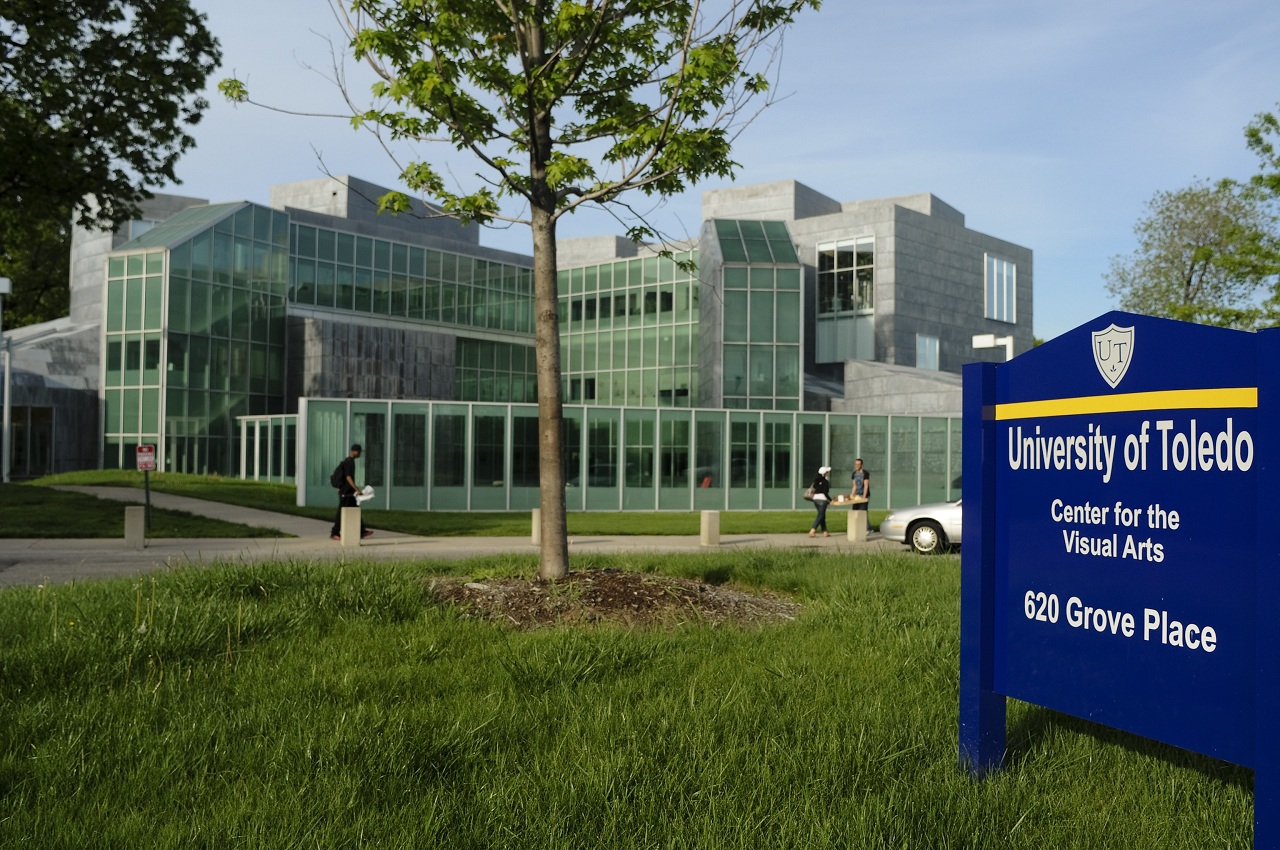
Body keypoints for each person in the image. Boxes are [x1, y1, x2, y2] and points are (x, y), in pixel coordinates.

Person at [330, 443, 373, 540]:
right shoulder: (350, 462)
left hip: (347, 492)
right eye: (359, 452)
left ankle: (362, 531)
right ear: (355, 452)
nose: (360, 454)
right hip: (346, 493)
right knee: (341, 512)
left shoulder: (347, 461)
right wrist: (357, 489)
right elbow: (348, 477)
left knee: (355, 509)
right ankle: (335, 532)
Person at [808, 465, 832, 538]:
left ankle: (825, 531)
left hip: (815, 499)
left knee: (822, 515)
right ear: (824, 473)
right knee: (820, 515)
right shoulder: (825, 482)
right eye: (827, 472)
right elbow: (825, 493)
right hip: (822, 500)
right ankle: (812, 530)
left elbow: (814, 488)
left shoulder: (816, 480)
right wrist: (831, 500)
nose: (828, 473)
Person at [850, 457, 871, 532]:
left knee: (863, 512)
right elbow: (854, 485)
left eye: (859, 464)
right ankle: (857, 528)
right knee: (855, 511)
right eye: (856, 464)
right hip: (857, 496)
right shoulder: (854, 474)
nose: (857, 466)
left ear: (861, 465)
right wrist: (852, 495)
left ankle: (868, 528)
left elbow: (866, 485)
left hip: (863, 495)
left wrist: (864, 497)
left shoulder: (865, 473)